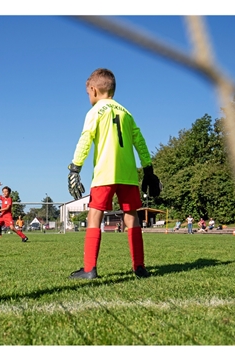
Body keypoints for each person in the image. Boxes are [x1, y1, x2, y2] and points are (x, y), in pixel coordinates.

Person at [66, 68, 161, 280]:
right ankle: (139, 268)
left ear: (93, 89)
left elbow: (85, 138)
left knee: (94, 215)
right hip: (128, 175)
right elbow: (140, 142)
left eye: (88, 93)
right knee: (132, 217)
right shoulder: (126, 113)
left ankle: (90, 269)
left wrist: (75, 168)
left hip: (104, 174)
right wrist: (148, 170)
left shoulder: (95, 112)